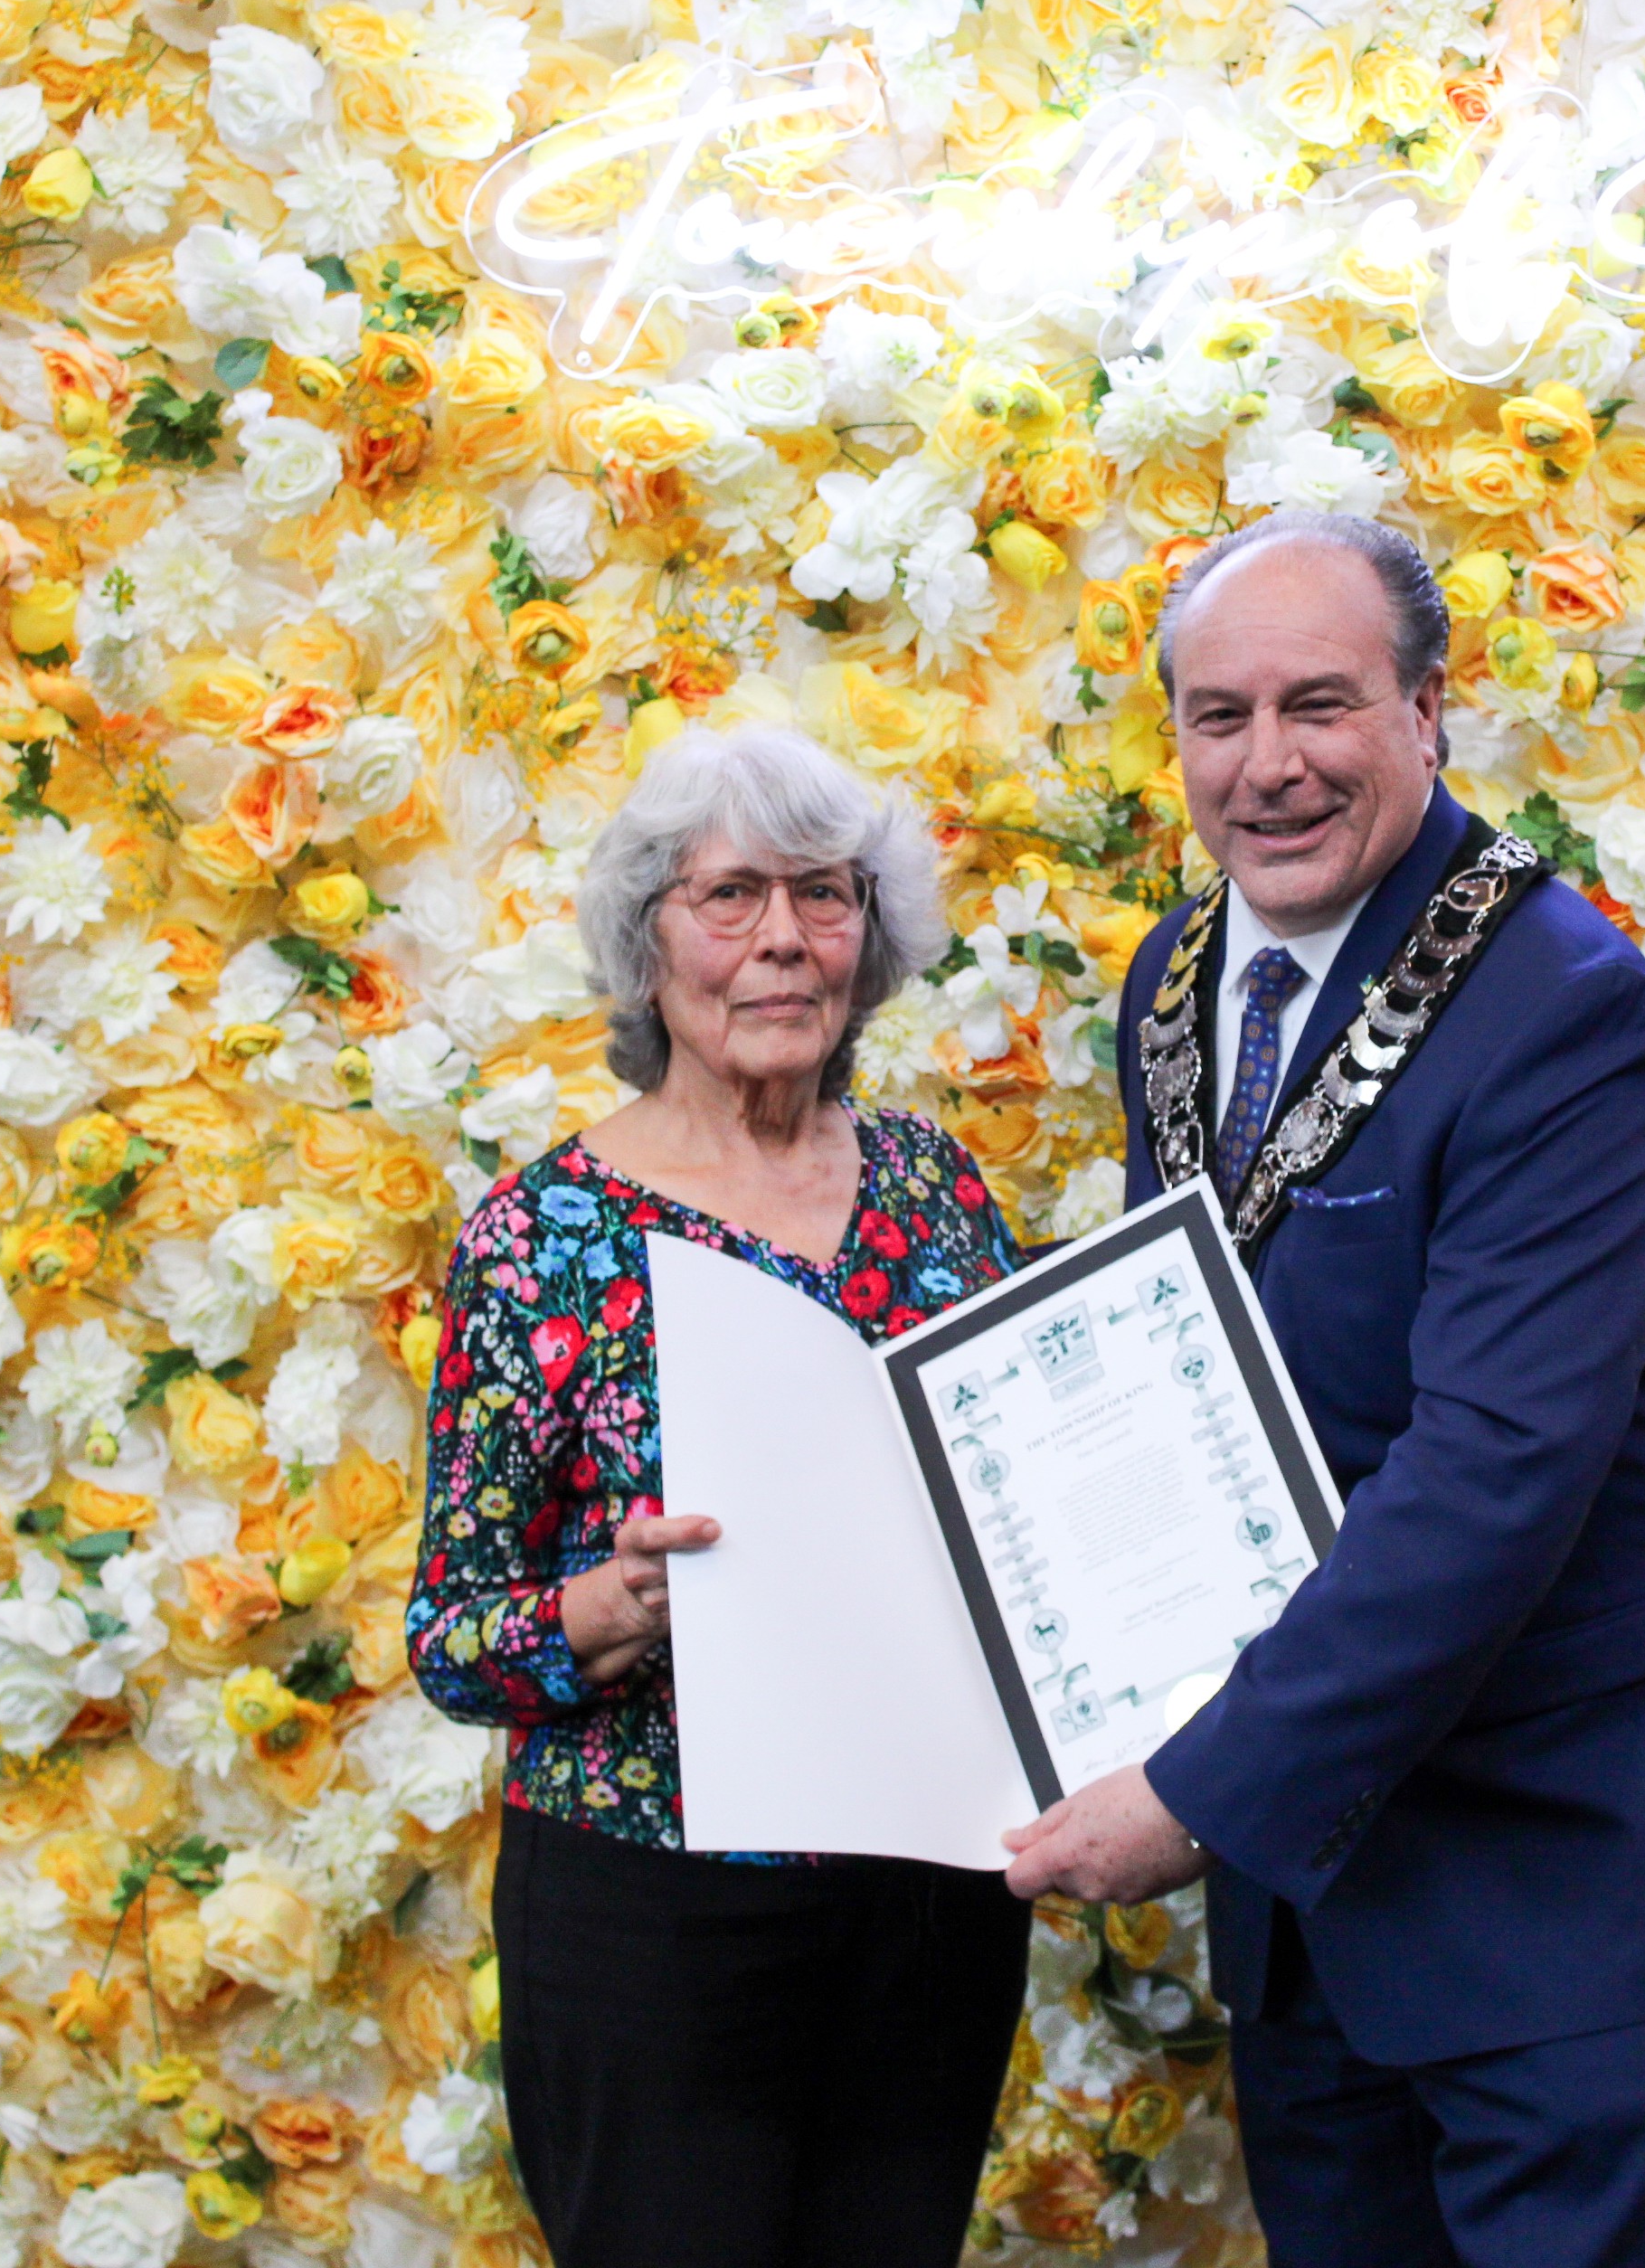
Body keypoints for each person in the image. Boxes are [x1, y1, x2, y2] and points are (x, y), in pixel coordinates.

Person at [999, 510, 1645, 2268]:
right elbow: (1197, 1381)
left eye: (1322, 703)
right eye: (1218, 716)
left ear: (1429, 708)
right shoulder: (1172, 980)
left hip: (1559, 1859)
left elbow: (1494, 1469)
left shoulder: (1559, 999)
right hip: (1315, 1874)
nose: (1270, 763)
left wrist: (1195, 1784)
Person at [409, 723, 1036, 2268]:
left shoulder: (937, 1189)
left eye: (821, 897)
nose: (779, 941)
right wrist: (612, 1606)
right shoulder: (540, 1233)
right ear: (647, 945)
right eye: (728, 897)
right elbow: (452, 1636)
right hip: (652, 1916)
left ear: (867, 938)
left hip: (928, 1894)